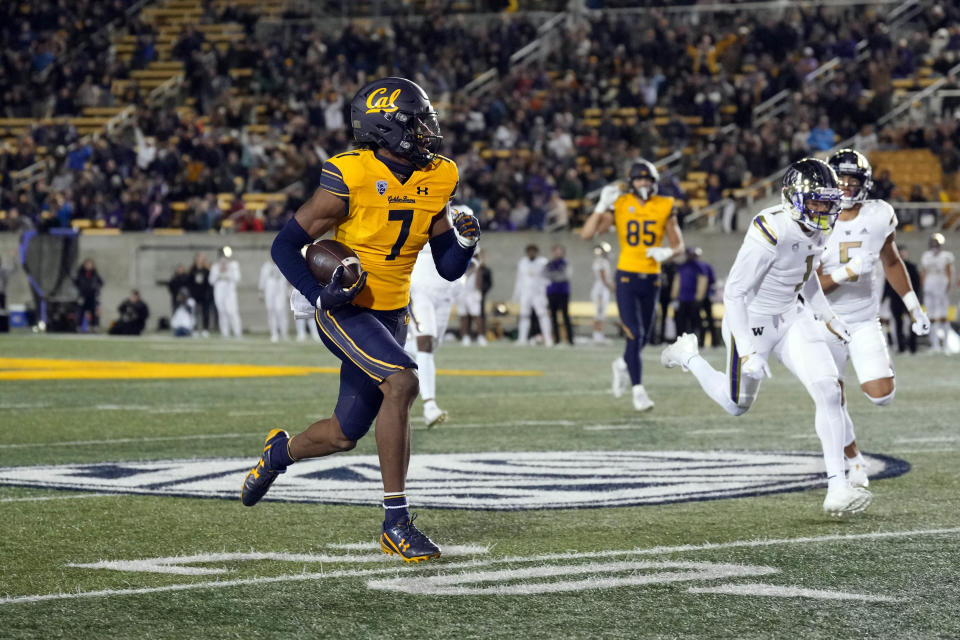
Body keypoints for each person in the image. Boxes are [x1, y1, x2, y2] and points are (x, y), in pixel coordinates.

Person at [242, 77, 480, 563]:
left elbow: (448, 267)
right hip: (346, 308)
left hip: (392, 313)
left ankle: (278, 453)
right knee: (402, 382)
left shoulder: (439, 175)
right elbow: (284, 244)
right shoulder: (351, 173)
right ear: (384, 129)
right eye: (415, 121)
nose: (426, 129)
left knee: (342, 433)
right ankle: (396, 523)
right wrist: (319, 294)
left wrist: (466, 243)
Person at [661, 158, 872, 517]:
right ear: (794, 199)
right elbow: (735, 295)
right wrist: (747, 352)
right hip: (752, 319)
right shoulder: (771, 228)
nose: (825, 208)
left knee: (828, 389)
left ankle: (838, 486)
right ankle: (688, 354)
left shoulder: (819, 227)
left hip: (792, 314)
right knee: (736, 405)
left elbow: (804, 275)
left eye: (828, 201)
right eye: (817, 201)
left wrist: (828, 316)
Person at [818, 149, 930, 488]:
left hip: (864, 319)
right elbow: (808, 288)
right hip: (823, 322)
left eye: (854, 181)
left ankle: (851, 457)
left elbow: (892, 262)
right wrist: (845, 273)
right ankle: (853, 461)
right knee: (830, 396)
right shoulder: (816, 220)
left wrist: (914, 306)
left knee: (882, 395)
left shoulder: (879, 215)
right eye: (842, 181)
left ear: (865, 183)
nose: (848, 187)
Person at [580, 159, 685, 412]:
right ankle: (638, 391)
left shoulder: (665, 204)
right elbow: (587, 234)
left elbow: (679, 245)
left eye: (648, 179)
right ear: (631, 182)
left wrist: (666, 253)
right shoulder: (621, 203)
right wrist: (601, 205)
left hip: (652, 277)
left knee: (644, 338)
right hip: (626, 276)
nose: (644, 183)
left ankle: (622, 364)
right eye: (639, 179)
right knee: (634, 334)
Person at [405, 227, 471, 428]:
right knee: (425, 342)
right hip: (419, 288)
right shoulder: (418, 204)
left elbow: (473, 255)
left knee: (429, 347)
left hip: (446, 292)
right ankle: (429, 406)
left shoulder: (463, 213)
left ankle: (389, 347)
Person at [883, 244, 923, 354]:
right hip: (896, 299)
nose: (902, 254)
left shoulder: (911, 267)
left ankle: (913, 347)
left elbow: (917, 284)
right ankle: (901, 347)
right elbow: (888, 285)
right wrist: (885, 298)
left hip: (909, 298)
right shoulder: (891, 267)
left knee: (913, 321)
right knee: (898, 323)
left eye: (903, 252)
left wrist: (917, 299)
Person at [512, 244, 552, 346]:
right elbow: (519, 280)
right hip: (526, 293)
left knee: (542, 315)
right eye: (529, 251)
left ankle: (548, 338)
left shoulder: (543, 262)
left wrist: (545, 293)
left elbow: (548, 278)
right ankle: (522, 339)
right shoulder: (522, 262)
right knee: (524, 316)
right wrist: (516, 295)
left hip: (538, 293)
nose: (531, 253)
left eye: (533, 251)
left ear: (537, 252)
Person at [921, 232, 954, 352]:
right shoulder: (926, 255)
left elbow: (949, 272)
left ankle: (945, 344)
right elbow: (924, 273)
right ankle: (935, 344)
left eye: (936, 242)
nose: (934, 245)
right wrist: (923, 286)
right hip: (930, 286)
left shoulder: (946, 256)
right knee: (931, 317)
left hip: (941, 286)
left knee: (944, 316)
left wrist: (947, 287)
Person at [671, 247, 709, 343]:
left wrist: (699, 298)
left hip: (693, 300)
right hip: (682, 299)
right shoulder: (682, 267)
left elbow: (702, 283)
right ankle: (681, 342)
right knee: (681, 323)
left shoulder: (700, 267)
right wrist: (674, 296)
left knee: (695, 323)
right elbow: (677, 282)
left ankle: (697, 342)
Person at [457, 246, 487, 346]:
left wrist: (478, 290)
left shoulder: (475, 263)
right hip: (462, 292)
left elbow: (478, 274)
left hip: (472, 292)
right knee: (463, 316)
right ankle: (465, 337)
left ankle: (481, 337)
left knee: (476, 316)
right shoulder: (460, 259)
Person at [209, 246, 242, 338]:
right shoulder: (215, 266)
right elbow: (211, 280)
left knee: (232, 312)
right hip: (219, 290)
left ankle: (237, 333)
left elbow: (237, 278)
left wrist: (228, 271)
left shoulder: (234, 265)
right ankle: (225, 334)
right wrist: (219, 272)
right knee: (222, 312)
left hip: (230, 291)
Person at [546, 244, 574, 346]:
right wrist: (556, 276)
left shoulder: (566, 263)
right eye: (555, 251)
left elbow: (566, 276)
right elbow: (544, 274)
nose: (557, 253)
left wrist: (554, 276)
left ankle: (570, 340)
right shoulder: (549, 264)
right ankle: (556, 339)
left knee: (565, 316)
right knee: (553, 317)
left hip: (563, 292)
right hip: (551, 292)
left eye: (559, 251)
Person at [258, 259, 290, 342]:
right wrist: (261, 292)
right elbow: (262, 279)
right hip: (270, 291)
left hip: (280, 291)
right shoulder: (266, 266)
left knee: (281, 312)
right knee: (271, 312)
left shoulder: (283, 264)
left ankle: (284, 333)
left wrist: (288, 292)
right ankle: (274, 334)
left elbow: (287, 279)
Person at [590, 242, 614, 344]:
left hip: (601, 287)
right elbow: (603, 277)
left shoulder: (601, 261)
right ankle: (597, 335)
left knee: (601, 313)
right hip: (601, 288)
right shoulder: (601, 262)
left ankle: (599, 335)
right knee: (598, 313)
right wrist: (612, 287)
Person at [74, 258, 103, 333]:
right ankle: (79, 326)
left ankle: (94, 326)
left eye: (90, 264)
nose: (88, 266)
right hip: (83, 296)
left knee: (94, 312)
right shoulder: (80, 274)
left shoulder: (95, 274)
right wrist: (81, 289)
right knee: (81, 311)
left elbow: (100, 282)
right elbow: (76, 282)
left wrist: (96, 289)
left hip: (92, 295)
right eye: (87, 264)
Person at [188, 252, 213, 337]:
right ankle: (194, 328)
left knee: (205, 312)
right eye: (198, 258)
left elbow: (209, 283)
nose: (200, 260)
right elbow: (189, 283)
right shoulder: (192, 270)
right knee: (193, 312)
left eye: (202, 258)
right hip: (194, 295)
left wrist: (208, 293)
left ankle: (205, 329)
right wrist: (190, 294)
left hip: (204, 294)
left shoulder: (207, 271)